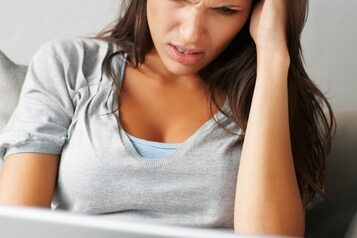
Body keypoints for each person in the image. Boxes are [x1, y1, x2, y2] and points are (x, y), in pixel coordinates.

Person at [0, 0, 335, 236]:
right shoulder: (70, 66)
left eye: (226, 10)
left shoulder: (269, 99)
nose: (191, 34)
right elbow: (16, 223)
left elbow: (270, 237)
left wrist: (273, 57)